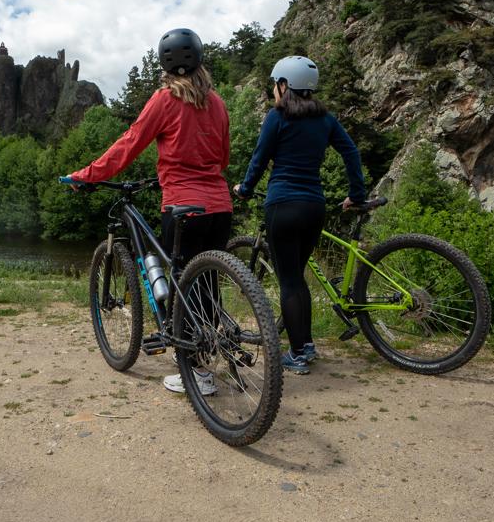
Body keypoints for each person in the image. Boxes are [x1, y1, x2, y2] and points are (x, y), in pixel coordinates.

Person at [64, 28, 231, 395]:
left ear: (165, 66)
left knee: (183, 282)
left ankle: (198, 374)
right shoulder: (217, 103)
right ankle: (210, 348)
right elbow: (222, 156)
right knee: (206, 284)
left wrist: (85, 175)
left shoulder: (165, 99)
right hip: (220, 205)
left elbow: (129, 145)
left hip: (184, 205)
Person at [234, 55, 366, 375]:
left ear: (284, 85)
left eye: (275, 85)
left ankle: (298, 354)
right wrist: (357, 193)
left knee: (290, 281)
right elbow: (351, 152)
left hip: (283, 205)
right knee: (297, 278)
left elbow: (260, 157)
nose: (273, 92)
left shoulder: (276, 117)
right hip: (314, 208)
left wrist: (246, 189)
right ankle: (305, 345)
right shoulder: (326, 120)